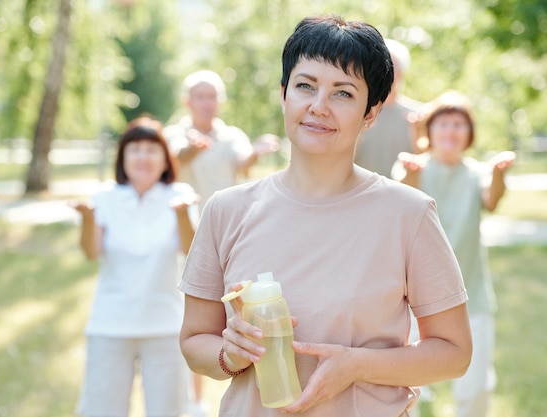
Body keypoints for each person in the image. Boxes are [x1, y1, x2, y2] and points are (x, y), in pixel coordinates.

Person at [178, 15, 472, 417]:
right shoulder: (226, 210)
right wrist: (230, 353)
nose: (318, 107)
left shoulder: (410, 214)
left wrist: (356, 365)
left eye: (343, 93)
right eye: (305, 86)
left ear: (372, 112)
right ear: (284, 94)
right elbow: (195, 340)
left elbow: (454, 353)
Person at [394, 90, 516, 417]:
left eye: (459, 125)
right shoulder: (414, 166)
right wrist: (412, 173)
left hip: (470, 295)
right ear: (430, 131)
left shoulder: (475, 173)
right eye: (443, 123)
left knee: (475, 388)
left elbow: (492, 200)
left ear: (469, 135)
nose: (450, 131)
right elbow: (402, 198)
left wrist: (499, 174)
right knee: (405, 386)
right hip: (415, 298)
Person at [73, 116, 199, 417]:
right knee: (103, 410)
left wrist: (182, 215)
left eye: (151, 150)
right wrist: (88, 219)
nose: (143, 157)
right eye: (135, 149)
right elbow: (91, 252)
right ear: (123, 157)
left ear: (165, 159)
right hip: (110, 324)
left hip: (166, 325)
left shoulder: (180, 195)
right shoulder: (105, 198)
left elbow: (190, 251)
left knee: (170, 411)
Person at [164, 69, 280, 210]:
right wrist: (193, 149)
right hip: (185, 225)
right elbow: (177, 158)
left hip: (223, 224)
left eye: (212, 97)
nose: (207, 104)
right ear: (187, 101)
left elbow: (243, 163)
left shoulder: (233, 136)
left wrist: (256, 153)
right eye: (200, 97)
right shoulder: (174, 133)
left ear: (221, 101)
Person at [354, 38, 425, 178]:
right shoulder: (356, 111)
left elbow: (427, 164)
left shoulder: (416, 115)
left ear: (402, 72)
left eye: (392, 66)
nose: (386, 73)